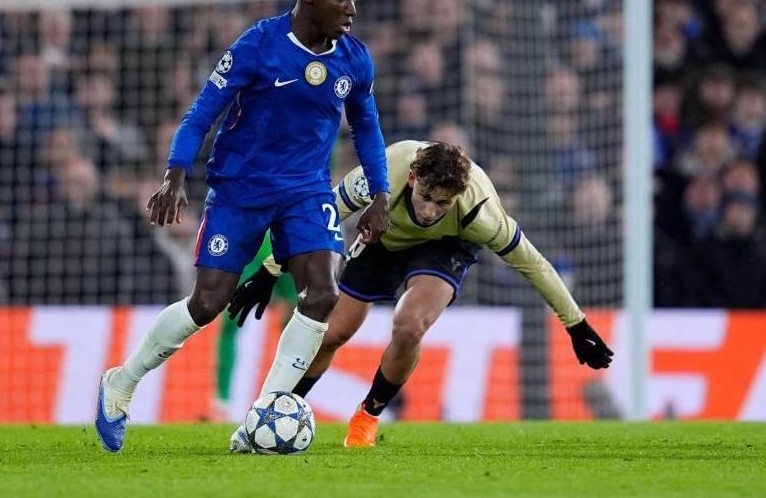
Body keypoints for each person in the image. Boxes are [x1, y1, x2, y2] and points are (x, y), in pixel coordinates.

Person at [94, 0, 391, 453]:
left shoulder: (354, 57)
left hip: (305, 191)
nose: (352, 8)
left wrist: (380, 194)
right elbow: (199, 115)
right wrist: (173, 176)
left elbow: (367, 126)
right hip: (240, 190)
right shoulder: (259, 44)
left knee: (321, 295)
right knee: (208, 303)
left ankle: (260, 419)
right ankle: (121, 382)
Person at [228, 141, 612, 450]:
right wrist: (269, 270)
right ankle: (276, 411)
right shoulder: (380, 175)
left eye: (443, 203)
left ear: (458, 195)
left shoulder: (482, 214)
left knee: (409, 326)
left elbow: (535, 265)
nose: (430, 211)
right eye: (426, 196)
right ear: (412, 178)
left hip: (446, 246)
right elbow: (317, 217)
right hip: (384, 236)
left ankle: (367, 416)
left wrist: (576, 325)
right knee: (332, 333)